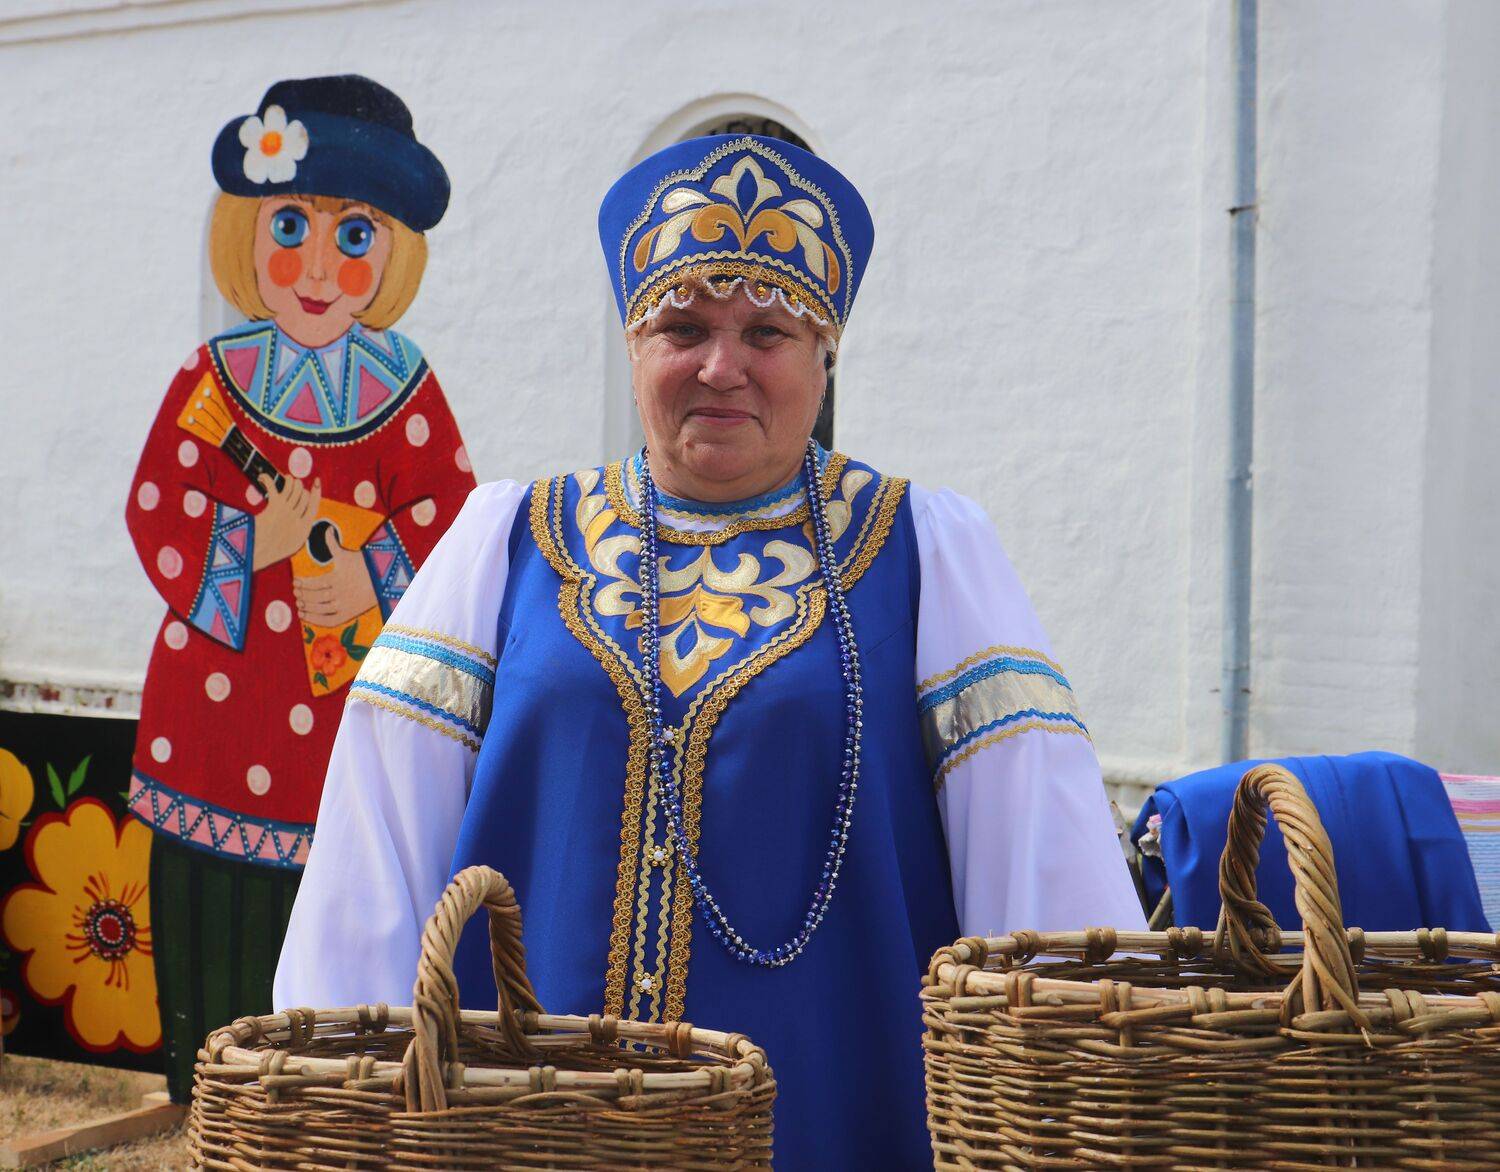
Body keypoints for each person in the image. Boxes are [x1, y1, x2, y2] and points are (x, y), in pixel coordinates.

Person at [276, 133, 1144, 1168]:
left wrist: (1075, 1113)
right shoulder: (505, 545)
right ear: (634, 346)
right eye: (682, 327)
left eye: (767, 331)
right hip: (520, 1130)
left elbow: (1041, 874)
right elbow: (377, 847)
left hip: (828, 1129)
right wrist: (345, 1105)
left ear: (824, 354)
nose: (721, 366)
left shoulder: (928, 555)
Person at [125, 75, 475, 1100]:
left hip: (342, 711)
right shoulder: (210, 380)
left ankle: (324, 1100)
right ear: (247, 235)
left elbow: (449, 515)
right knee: (209, 902)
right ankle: (205, 1093)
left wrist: (370, 570)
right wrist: (249, 541)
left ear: (394, 256)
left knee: (337, 899)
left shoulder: (405, 390)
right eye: (291, 226)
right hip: (217, 709)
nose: (319, 268)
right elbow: (157, 505)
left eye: (354, 235)